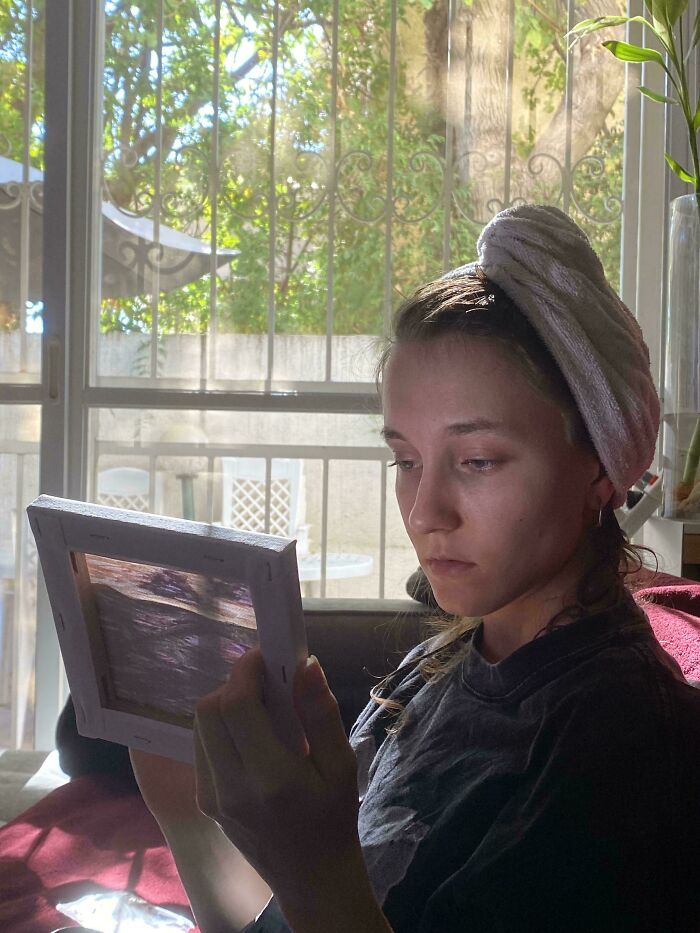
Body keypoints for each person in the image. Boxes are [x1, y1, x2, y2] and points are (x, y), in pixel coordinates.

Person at [130, 204, 700, 932]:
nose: (425, 509)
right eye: (406, 459)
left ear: (600, 462)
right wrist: (187, 812)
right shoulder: (440, 664)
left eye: (478, 460)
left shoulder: (620, 749)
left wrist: (317, 868)